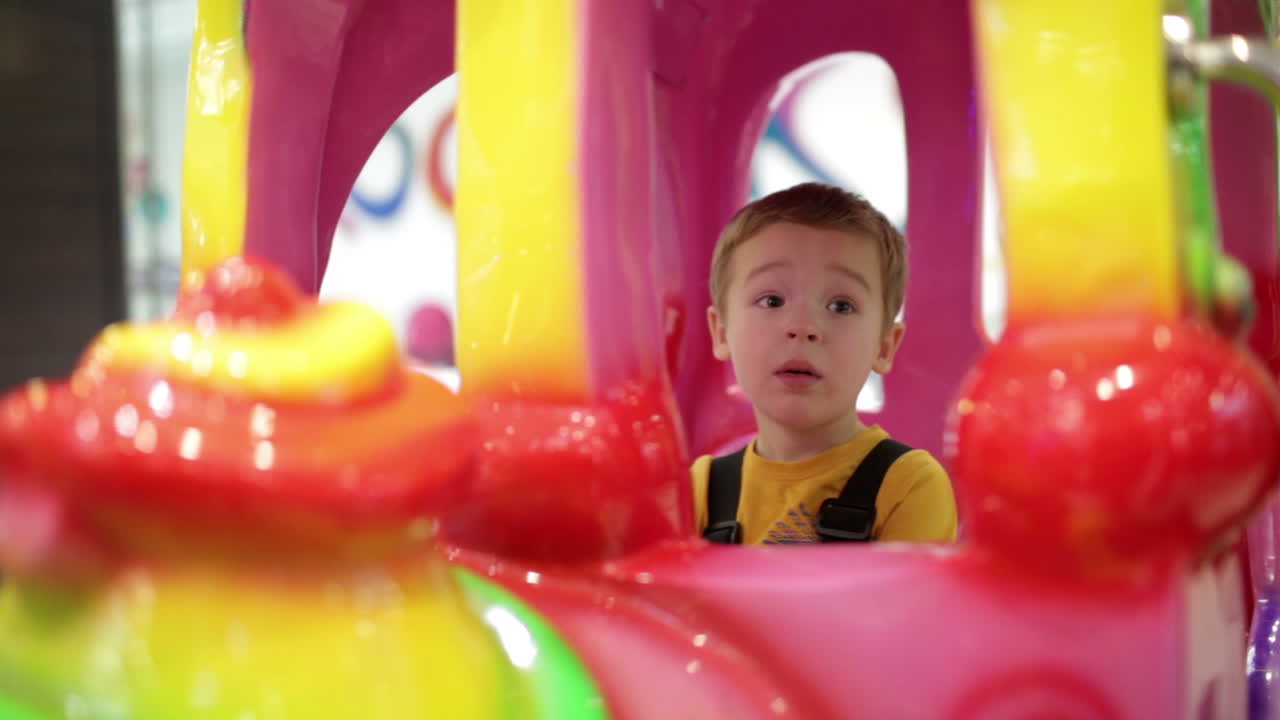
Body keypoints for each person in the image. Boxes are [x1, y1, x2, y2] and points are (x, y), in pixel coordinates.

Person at [693, 182, 957, 545]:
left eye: (841, 306)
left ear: (884, 345)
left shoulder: (907, 485)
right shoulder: (702, 489)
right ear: (722, 332)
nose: (803, 327)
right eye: (772, 301)